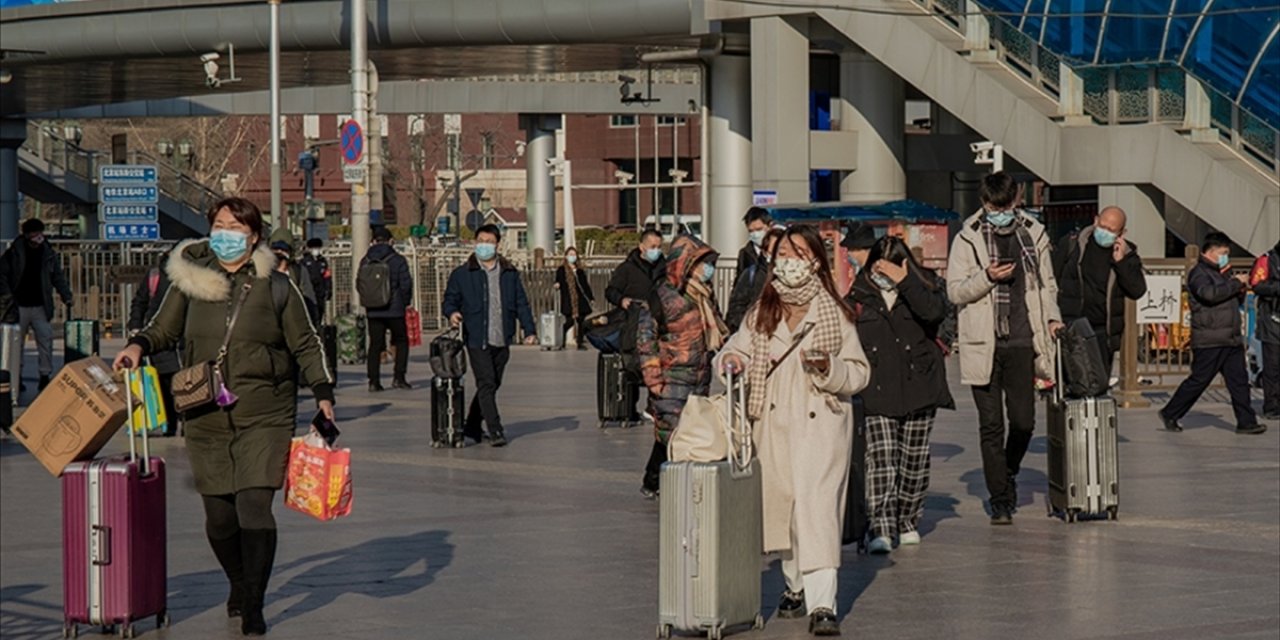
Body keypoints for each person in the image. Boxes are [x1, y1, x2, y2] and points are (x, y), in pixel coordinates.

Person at [112, 197, 334, 637]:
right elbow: (163, 329)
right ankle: (238, 581)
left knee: (254, 506)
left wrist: (324, 393)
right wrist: (138, 345)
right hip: (204, 409)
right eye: (218, 224)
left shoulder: (277, 286)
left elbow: (306, 343)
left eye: (234, 226)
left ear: (253, 236)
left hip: (265, 410)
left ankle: (253, 601)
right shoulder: (190, 282)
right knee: (219, 517)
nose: (224, 233)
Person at [716, 225, 870, 636]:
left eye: (799, 253)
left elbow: (858, 372)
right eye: (783, 252)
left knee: (817, 512)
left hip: (822, 424)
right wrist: (731, 362)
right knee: (783, 511)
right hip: (771, 423)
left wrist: (829, 368)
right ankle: (794, 586)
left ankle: (824, 605)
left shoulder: (834, 313)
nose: (789, 261)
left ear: (815, 261)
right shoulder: (762, 310)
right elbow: (735, 347)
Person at [946, 172, 1063, 525]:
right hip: (983, 342)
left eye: (1003, 206)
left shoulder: (1034, 233)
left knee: (1025, 422)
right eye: (990, 207)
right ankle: (1000, 499)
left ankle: (1007, 470)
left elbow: (1048, 285)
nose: (997, 213)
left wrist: (1053, 319)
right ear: (983, 203)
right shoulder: (968, 237)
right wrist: (987, 277)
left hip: (1024, 341)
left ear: (1015, 200)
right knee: (991, 426)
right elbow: (954, 291)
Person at [846, 236, 953, 554]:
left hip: (919, 383)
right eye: (879, 266)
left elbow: (934, 314)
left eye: (890, 267)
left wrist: (905, 281)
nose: (883, 273)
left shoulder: (926, 286)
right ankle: (880, 525)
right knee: (881, 459)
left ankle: (907, 520)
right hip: (877, 386)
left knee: (914, 460)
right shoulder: (859, 293)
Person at [635, 234, 727, 499]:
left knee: (684, 430)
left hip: (699, 375)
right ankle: (667, 482)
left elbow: (720, 330)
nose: (707, 269)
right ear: (684, 264)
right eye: (702, 263)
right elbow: (646, 338)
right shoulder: (662, 295)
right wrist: (653, 378)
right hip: (670, 377)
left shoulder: (704, 295)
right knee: (673, 431)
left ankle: (656, 480)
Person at [1159, 233, 1266, 435]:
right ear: (1210, 252)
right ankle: (1171, 412)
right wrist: (1235, 283)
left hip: (1230, 336)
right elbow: (1209, 295)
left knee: (1239, 381)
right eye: (1223, 253)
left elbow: (1229, 296)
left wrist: (1239, 287)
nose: (1226, 256)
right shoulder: (1199, 273)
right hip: (1210, 338)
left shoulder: (1223, 272)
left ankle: (1246, 421)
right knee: (1200, 380)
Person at [442, 224, 537, 447]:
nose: (484, 245)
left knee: (492, 384)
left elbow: (521, 303)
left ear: (497, 245)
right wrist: (453, 312)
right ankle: (495, 430)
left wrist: (529, 330)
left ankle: (472, 426)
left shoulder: (509, 273)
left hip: (502, 337)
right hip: (477, 337)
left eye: (489, 241)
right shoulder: (463, 274)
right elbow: (450, 299)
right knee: (486, 382)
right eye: (481, 240)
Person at [1052, 206, 1147, 376]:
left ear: (1121, 233)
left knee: (1098, 382)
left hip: (1102, 331)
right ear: (1095, 220)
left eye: (1111, 230)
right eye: (1102, 226)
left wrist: (1121, 262)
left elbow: (1137, 290)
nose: (1105, 232)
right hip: (1070, 325)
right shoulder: (1073, 243)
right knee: (1070, 383)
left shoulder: (1127, 253)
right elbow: (1052, 279)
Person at [0, 218, 73, 391]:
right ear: (27, 235)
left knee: (45, 339)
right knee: (16, 344)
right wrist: (8, 297)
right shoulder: (14, 254)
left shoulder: (48, 253)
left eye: (40, 233)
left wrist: (66, 295)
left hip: (40, 305)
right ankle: (16, 377)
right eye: (35, 234)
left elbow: (57, 277)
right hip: (18, 306)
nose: (38, 238)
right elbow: (2, 276)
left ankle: (44, 375)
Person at [605, 229, 666, 421]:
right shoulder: (627, 269)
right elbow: (610, 290)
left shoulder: (665, 268)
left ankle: (654, 406)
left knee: (658, 365)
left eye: (659, 247)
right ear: (642, 247)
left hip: (659, 324)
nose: (656, 251)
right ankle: (629, 409)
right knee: (633, 366)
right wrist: (621, 300)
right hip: (633, 323)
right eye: (652, 247)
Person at [127, 251, 181, 437]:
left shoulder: (190, 276)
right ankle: (173, 422)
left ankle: (176, 423)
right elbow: (140, 302)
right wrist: (135, 328)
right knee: (167, 383)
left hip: (176, 339)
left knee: (174, 382)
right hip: (158, 336)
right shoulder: (156, 275)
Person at [361, 226, 414, 391]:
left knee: (375, 345)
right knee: (401, 341)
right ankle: (399, 377)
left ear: (373, 241)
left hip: (373, 309)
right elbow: (405, 285)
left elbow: (360, 283)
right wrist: (403, 303)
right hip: (394, 309)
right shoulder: (397, 259)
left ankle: (373, 381)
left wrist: (369, 301)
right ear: (391, 241)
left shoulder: (365, 260)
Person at [727, 226, 785, 332]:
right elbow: (736, 306)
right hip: (754, 332)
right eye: (773, 251)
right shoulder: (751, 274)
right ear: (764, 251)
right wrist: (748, 326)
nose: (776, 257)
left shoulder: (791, 276)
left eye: (781, 252)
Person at [725, 208, 773, 331]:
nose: (755, 234)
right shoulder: (745, 253)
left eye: (759, 229)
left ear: (769, 226)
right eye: (751, 231)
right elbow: (738, 289)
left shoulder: (781, 251)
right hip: (751, 318)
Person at [1251, 240, 1280, 420]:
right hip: (1272, 320)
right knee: (1272, 366)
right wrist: (1277, 287)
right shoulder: (1267, 259)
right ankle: (1271, 405)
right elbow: (1256, 284)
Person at [269, 230, 320, 326]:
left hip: (293, 324)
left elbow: (309, 300)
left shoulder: (298, 271)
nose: (279, 253)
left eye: (283, 250)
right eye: (276, 249)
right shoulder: (262, 271)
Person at [554, 247, 595, 350]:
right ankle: (562, 342)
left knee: (581, 321)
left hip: (580, 300)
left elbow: (585, 285)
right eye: (570, 254)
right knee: (569, 321)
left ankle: (580, 343)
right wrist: (557, 284)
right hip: (569, 299)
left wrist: (591, 297)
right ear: (566, 256)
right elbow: (558, 280)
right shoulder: (562, 270)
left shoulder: (580, 271)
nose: (572, 257)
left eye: (574, 255)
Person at [299, 237, 332, 323]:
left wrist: (328, 289)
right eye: (314, 248)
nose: (316, 250)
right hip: (309, 293)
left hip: (320, 292)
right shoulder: (304, 262)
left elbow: (327, 276)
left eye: (317, 248)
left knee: (320, 314)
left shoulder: (323, 261)